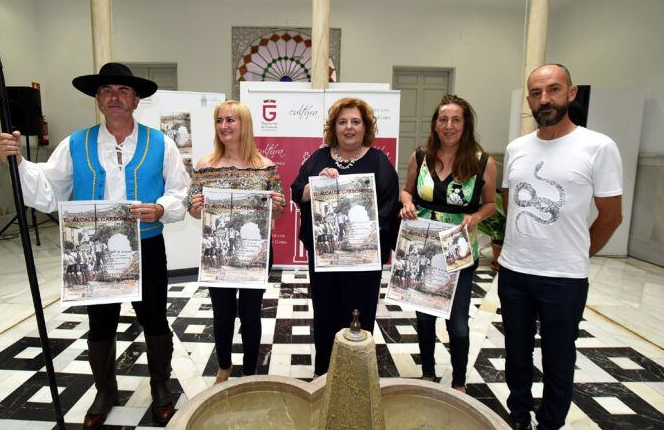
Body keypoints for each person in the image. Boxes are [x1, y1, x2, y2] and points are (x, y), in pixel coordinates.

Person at [0, 62, 190, 430]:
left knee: (155, 319)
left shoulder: (161, 142)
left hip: (147, 246)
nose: (115, 97)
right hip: (94, 251)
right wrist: (17, 159)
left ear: (135, 100)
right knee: (100, 324)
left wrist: (162, 207)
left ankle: (161, 385)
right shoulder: (74, 143)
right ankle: (105, 392)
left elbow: (181, 189)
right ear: (98, 98)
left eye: (123, 91)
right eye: (107, 91)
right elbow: (48, 189)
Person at [498, 64, 623, 430]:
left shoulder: (598, 146)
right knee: (516, 353)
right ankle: (519, 418)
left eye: (553, 90)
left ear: (571, 93)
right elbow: (509, 200)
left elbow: (610, 216)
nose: (544, 99)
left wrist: (577, 255)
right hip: (515, 272)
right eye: (536, 92)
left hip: (564, 279)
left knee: (558, 358)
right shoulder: (518, 148)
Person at [291, 97, 399, 377]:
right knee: (326, 311)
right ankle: (324, 371)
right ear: (334, 127)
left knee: (360, 311)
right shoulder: (319, 158)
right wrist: (318, 185)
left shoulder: (379, 161)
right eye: (342, 122)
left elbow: (388, 207)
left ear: (365, 127)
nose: (348, 127)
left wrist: (364, 238)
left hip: (363, 259)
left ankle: (357, 373)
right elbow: (297, 192)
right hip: (327, 256)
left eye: (355, 121)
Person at [399, 94, 497, 392]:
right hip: (425, 245)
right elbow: (407, 192)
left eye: (456, 120)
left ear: (466, 124)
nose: (449, 125)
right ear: (435, 124)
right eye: (443, 119)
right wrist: (406, 205)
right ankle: (427, 372)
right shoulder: (420, 156)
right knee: (425, 316)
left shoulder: (483, 162)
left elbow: (491, 203)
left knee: (457, 324)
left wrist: (476, 216)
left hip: (459, 247)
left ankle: (458, 381)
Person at [188, 100, 286, 383]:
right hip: (217, 253)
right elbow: (194, 211)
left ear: (245, 125)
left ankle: (251, 370)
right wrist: (195, 207)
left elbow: (277, 211)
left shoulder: (266, 167)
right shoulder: (205, 166)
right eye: (219, 120)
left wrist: (277, 205)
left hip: (255, 251)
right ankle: (224, 366)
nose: (224, 126)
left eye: (231, 120)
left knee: (251, 313)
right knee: (222, 313)